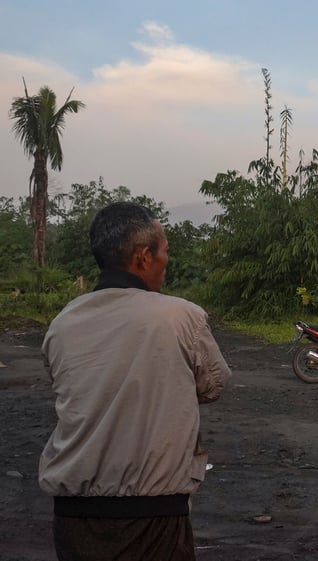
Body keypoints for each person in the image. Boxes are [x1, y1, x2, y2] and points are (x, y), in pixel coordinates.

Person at [39, 201, 232, 561]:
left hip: (72, 517)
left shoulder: (63, 322)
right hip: (152, 512)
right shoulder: (180, 316)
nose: (166, 261)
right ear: (144, 257)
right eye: (164, 251)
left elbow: (72, 389)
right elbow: (213, 386)